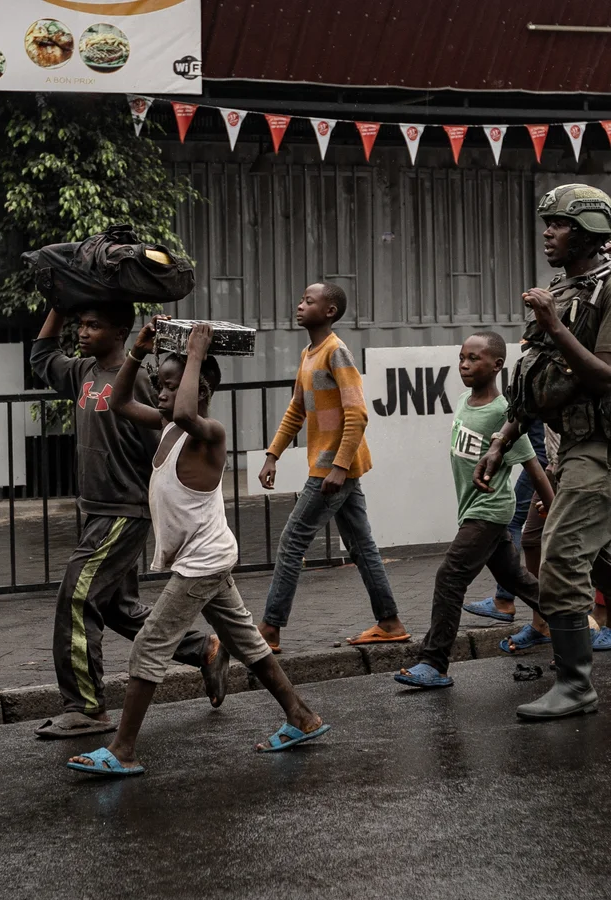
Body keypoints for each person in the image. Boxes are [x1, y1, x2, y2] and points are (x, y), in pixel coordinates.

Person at [67, 321, 329, 776]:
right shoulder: (168, 425)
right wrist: (137, 354)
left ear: (199, 388)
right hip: (206, 557)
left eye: (169, 386)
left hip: (201, 563)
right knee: (246, 642)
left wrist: (193, 355)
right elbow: (121, 402)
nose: (162, 394)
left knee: (149, 646)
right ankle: (301, 717)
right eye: (160, 385)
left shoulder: (209, 431)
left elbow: (187, 412)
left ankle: (124, 750)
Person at [30, 305, 221, 740]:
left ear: (120, 331)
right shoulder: (82, 370)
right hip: (96, 509)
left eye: (93, 325)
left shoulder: (139, 378)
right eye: (80, 324)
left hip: (123, 509)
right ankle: (204, 649)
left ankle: (84, 707)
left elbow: (168, 440)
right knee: (117, 608)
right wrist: (60, 306)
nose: (82, 332)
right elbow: (41, 357)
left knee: (77, 599)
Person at [475, 184, 611, 721]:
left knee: (559, 557)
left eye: (557, 225)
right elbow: (537, 379)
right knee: (598, 561)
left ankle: (575, 685)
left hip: (601, 448)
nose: (547, 233)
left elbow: (603, 378)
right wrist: (504, 439)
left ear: (585, 233)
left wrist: (555, 322)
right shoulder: (569, 287)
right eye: (548, 223)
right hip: (573, 443)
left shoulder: (605, 292)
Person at [394, 333, 554, 688]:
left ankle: (434, 663)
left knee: (449, 577)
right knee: (516, 580)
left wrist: (553, 506)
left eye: (474, 359)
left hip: (489, 510)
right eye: (462, 358)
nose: (464, 365)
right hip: (473, 511)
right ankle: (574, 620)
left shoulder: (503, 412)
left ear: (497, 365)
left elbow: (531, 462)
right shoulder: (466, 400)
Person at [257, 283, 408, 652]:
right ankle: (389, 622)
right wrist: (272, 454)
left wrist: (339, 466)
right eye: (301, 298)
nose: (299, 304)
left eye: (308, 301)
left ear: (329, 311)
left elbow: (357, 412)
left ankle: (270, 630)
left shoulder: (336, 352)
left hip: (331, 470)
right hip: (334, 468)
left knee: (291, 542)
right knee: (361, 545)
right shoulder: (310, 353)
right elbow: (297, 409)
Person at [462, 419, 547, 624]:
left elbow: (537, 447)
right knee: (529, 535)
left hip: (545, 465)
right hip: (548, 464)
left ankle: (506, 601)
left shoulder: (531, 391)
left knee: (515, 522)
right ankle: (541, 615)